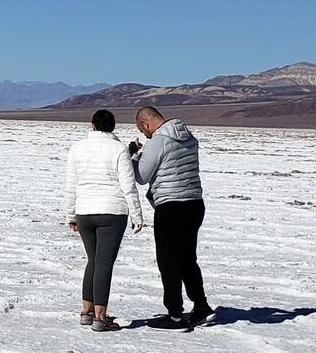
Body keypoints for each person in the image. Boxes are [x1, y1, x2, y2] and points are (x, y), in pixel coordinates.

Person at [130, 106, 211, 331]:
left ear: (146, 124)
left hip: (171, 206)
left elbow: (141, 176)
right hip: (194, 203)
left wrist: (134, 155)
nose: (146, 135)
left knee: (168, 261)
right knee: (187, 258)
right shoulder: (188, 136)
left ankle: (175, 315)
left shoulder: (159, 141)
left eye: (143, 131)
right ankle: (201, 305)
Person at [65, 109, 146, 332]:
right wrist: (137, 215)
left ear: (92, 125)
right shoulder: (118, 149)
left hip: (84, 211)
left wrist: (71, 215)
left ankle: (87, 312)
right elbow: (128, 185)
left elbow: (71, 185)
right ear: (113, 126)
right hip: (112, 212)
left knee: (93, 261)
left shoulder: (77, 148)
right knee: (104, 264)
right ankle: (100, 317)